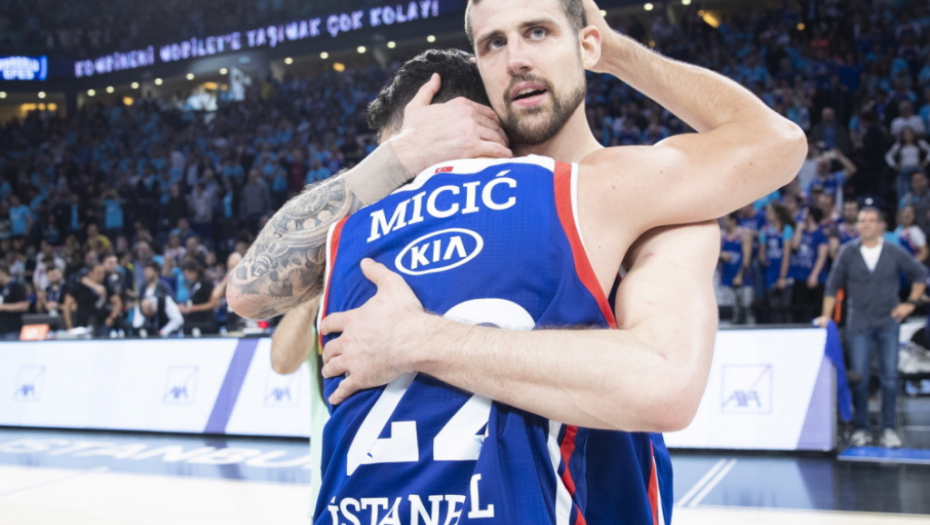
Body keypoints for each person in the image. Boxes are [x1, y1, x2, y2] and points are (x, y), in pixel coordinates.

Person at [231, 2, 806, 522]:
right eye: (494, 44)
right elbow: (248, 295)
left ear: (584, 43)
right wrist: (401, 154)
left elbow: (777, 144)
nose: (516, 60)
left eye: (538, 32)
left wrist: (614, 48)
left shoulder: (637, 193)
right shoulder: (400, 212)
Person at [816, 208, 928, 448]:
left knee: (889, 377)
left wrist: (910, 303)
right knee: (860, 377)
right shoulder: (848, 252)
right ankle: (861, 428)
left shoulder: (893, 250)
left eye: (870, 221)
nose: (865, 225)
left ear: (881, 225)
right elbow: (832, 286)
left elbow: (920, 274)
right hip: (859, 323)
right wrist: (826, 316)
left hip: (888, 321)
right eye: (862, 221)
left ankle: (889, 428)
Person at [789, 207, 830, 323]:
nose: (802, 215)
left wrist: (814, 275)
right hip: (800, 276)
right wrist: (798, 230)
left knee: (816, 310)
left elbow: (822, 256)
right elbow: (794, 246)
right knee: (799, 311)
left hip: (816, 278)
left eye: (805, 213)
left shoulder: (821, 234)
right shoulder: (802, 231)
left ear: (810, 216)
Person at [758, 203, 795, 324]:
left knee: (785, 307)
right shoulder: (764, 230)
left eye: (769, 212)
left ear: (777, 214)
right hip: (770, 272)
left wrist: (782, 276)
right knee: (773, 308)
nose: (766, 214)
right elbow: (762, 253)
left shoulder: (786, 229)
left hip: (784, 271)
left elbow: (786, 255)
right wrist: (763, 259)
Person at [63, 262, 122, 337]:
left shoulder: (106, 286)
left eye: (103, 273)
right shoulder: (79, 286)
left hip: (101, 324)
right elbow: (67, 305)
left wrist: (112, 317)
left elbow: (118, 302)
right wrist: (69, 325)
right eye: (98, 273)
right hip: (82, 324)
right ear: (90, 273)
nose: (102, 275)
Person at [132, 262, 184, 337]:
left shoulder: (164, 287)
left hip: (162, 321)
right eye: (145, 272)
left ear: (156, 272)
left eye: (149, 272)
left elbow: (171, 304)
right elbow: (140, 305)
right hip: (147, 324)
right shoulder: (143, 287)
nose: (146, 274)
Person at [719, 212, 753, 324]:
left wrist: (740, 275)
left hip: (742, 276)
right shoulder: (722, 235)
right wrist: (721, 254)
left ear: (733, 221)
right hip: (726, 276)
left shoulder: (743, 234)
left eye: (725, 219)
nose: (723, 222)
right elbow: (714, 253)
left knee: (746, 307)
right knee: (731, 309)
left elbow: (746, 258)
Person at [178, 258, 217, 335]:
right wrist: (185, 307)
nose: (187, 277)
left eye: (188, 274)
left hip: (205, 321)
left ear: (194, 271)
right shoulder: (193, 284)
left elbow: (215, 303)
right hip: (193, 321)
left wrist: (195, 308)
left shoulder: (206, 283)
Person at [0, 263, 28, 340]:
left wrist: (3, 307)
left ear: (3, 273)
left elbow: (24, 306)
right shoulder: (1, 287)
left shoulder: (17, 285)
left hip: (12, 329)